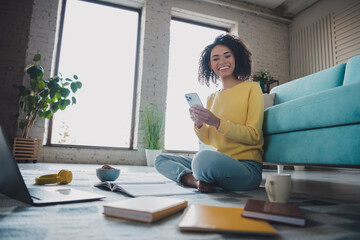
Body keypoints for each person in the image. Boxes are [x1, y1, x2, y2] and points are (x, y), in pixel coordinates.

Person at [155, 34, 264, 192]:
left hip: (246, 168)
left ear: (237, 58)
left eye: (227, 56)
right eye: (216, 59)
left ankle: (201, 177)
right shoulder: (212, 98)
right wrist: (199, 124)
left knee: (202, 160)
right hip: (218, 161)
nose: (222, 62)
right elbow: (209, 140)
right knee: (161, 159)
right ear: (210, 65)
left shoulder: (252, 88)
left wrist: (217, 122)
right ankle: (194, 181)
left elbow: (254, 136)